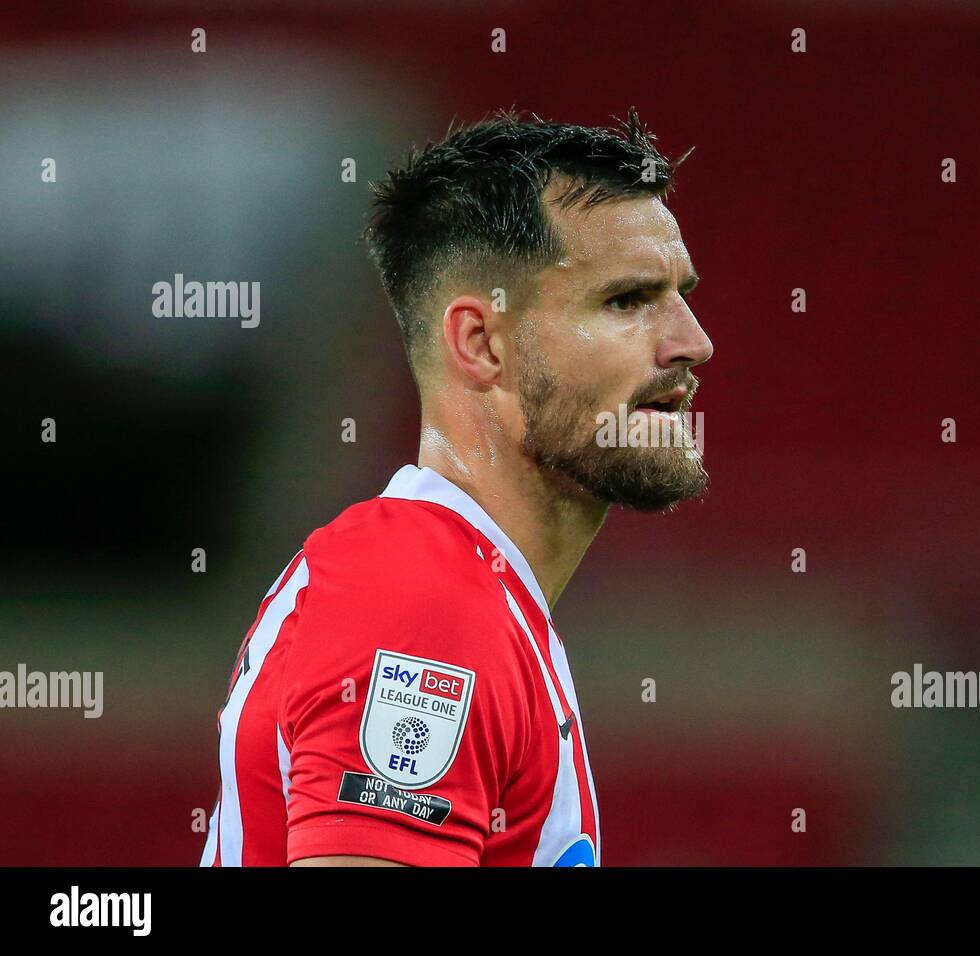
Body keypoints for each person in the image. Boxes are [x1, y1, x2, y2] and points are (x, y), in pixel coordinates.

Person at [200, 108, 714, 866]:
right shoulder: (422, 607)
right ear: (481, 344)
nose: (691, 342)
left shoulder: (472, 593)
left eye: (681, 294)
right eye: (628, 301)